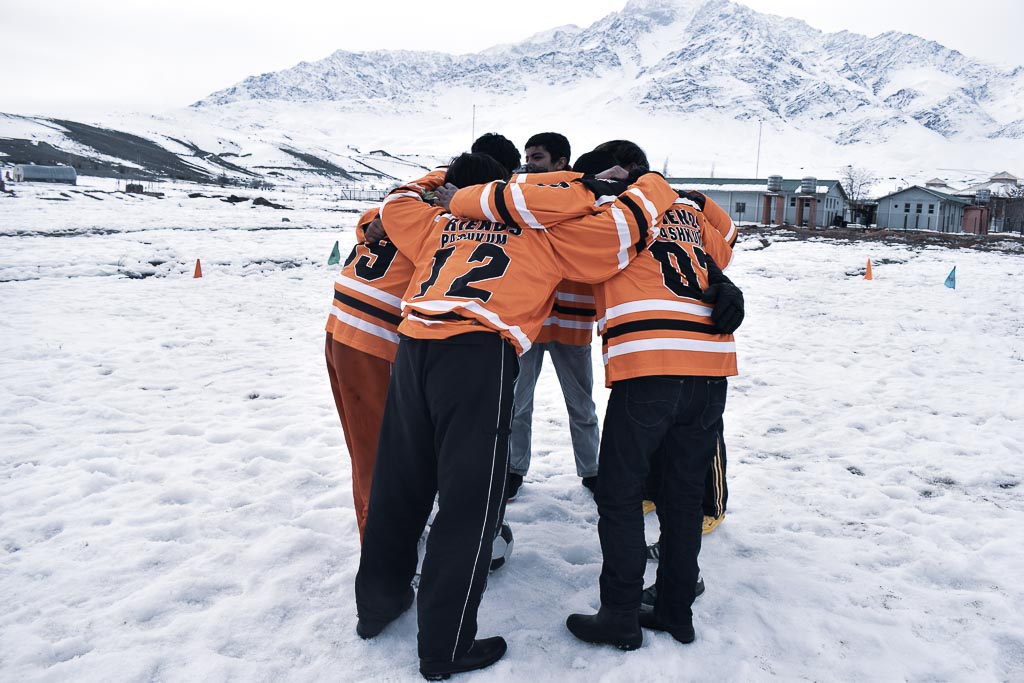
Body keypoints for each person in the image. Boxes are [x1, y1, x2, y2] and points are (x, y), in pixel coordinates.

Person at [355, 154, 679, 679]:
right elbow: (626, 225)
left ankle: (376, 606)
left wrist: (446, 183)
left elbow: (396, 201)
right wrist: (651, 184)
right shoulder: (550, 235)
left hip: (414, 346)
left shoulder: (440, 222)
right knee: (471, 506)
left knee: (400, 486)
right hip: (477, 353)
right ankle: (445, 647)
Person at [451, 144, 744, 649]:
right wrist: (690, 198)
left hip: (649, 363)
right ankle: (675, 610)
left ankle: (621, 615)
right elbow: (728, 242)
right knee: (681, 495)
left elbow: (555, 246)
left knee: (621, 496)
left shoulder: (609, 218)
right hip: (711, 366)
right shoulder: (687, 212)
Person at [324, 135, 520, 543]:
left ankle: (393, 529)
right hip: (372, 335)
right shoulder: (449, 221)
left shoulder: (408, 202)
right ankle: (380, 549)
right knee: (377, 454)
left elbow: (372, 220)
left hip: (347, 323)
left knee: (388, 444)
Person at [596, 140, 736, 536]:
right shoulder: (618, 209)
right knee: (658, 428)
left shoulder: (675, 205)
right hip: (655, 339)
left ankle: (713, 504)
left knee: (700, 440)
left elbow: (726, 245)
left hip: (698, 336)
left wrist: (694, 197)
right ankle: (655, 490)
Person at [507, 132, 601, 499]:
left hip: (574, 319)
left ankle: (592, 470)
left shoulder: (585, 197)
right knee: (516, 403)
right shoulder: (518, 198)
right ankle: (514, 469)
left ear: (561, 162)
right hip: (528, 321)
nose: (530, 163)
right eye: (527, 156)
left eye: (538, 157)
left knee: (582, 404)